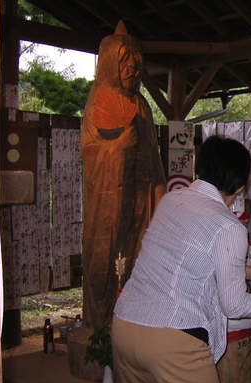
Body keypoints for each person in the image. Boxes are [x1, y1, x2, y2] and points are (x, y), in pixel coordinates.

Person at [112, 135, 251, 383]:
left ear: (201, 168)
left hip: (125, 325)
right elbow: (235, 306)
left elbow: (193, 261)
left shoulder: (171, 201)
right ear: (240, 187)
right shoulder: (229, 227)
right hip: (172, 338)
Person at [81, 21, 166, 328]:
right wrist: (117, 148)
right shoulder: (99, 99)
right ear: (108, 65)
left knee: (138, 257)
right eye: (125, 63)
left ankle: (133, 319)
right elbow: (91, 154)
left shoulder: (142, 105)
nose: (132, 69)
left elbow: (154, 157)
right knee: (105, 260)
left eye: (136, 63)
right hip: (110, 199)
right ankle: (99, 326)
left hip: (140, 197)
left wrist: (160, 194)